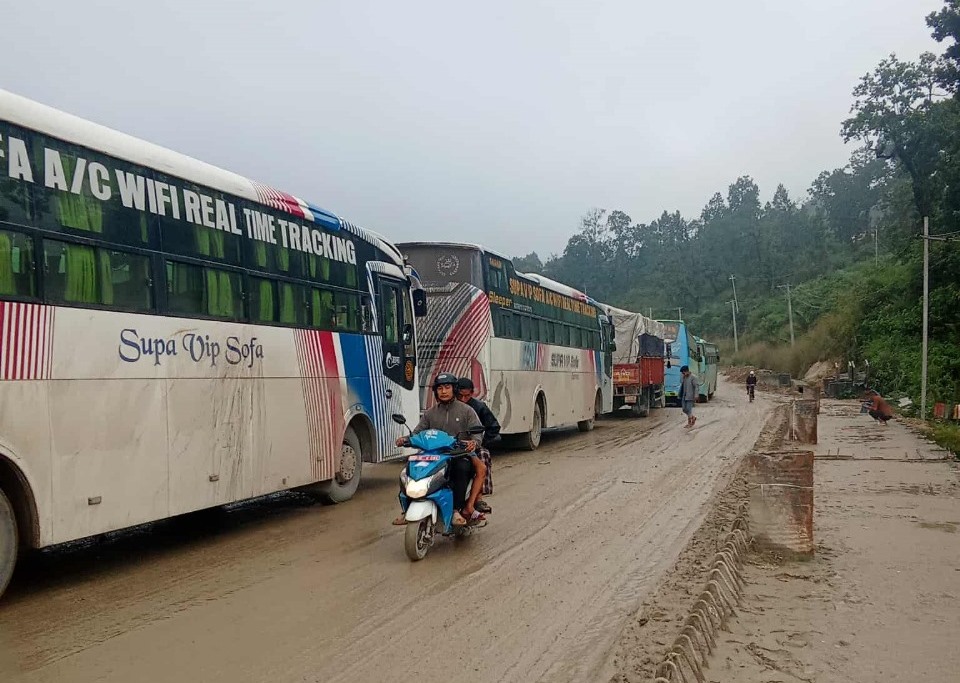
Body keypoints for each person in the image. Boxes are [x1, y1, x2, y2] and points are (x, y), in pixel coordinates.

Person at [393, 373, 487, 526]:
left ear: (454, 389)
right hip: (433, 454)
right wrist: (405, 439)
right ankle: (407, 508)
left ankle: (456, 509)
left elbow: (477, 434)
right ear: (436, 391)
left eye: (447, 387)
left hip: (458, 454)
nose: (443, 391)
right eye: (440, 388)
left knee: (461, 468)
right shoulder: (430, 413)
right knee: (408, 471)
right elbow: (417, 433)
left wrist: (473, 443)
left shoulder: (467, 411)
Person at [456, 377, 500, 513]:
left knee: (483, 455)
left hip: (473, 446)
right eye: (460, 396)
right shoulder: (447, 407)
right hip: (451, 445)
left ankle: (478, 498)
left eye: (467, 396)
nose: (463, 399)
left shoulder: (479, 407)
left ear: (472, 393)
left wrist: (480, 442)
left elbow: (494, 427)